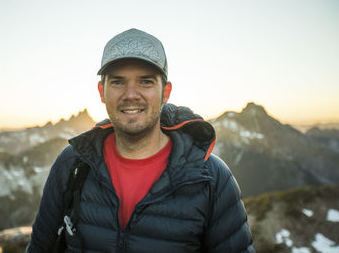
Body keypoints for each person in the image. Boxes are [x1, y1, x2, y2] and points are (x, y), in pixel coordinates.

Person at [27, 28, 254, 252]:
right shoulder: (73, 164)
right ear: (101, 91)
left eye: (145, 82)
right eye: (117, 82)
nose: (131, 94)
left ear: (166, 92)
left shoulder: (212, 178)